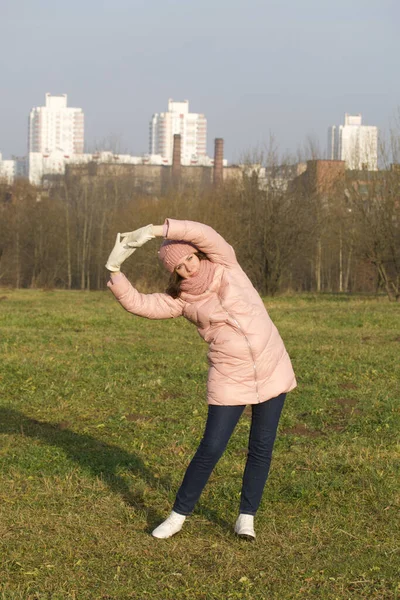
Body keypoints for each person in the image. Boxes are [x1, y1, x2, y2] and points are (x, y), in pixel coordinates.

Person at [105, 219, 297, 540]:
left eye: (189, 259)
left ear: (198, 254)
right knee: (211, 447)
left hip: (271, 365)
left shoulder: (226, 263)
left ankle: (246, 518)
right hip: (229, 374)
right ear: (174, 272)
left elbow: (203, 233)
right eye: (179, 267)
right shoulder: (182, 300)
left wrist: (155, 231)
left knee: (261, 446)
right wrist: (114, 269)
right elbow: (141, 304)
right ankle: (178, 516)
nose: (188, 268)